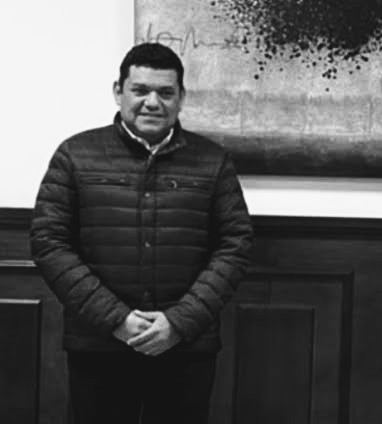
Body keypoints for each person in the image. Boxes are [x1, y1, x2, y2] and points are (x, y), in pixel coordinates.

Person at [30, 43, 253, 424]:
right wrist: (116, 319)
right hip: (99, 345)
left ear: (181, 97)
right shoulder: (74, 155)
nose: (153, 102)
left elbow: (235, 246)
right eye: (140, 90)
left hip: (185, 346)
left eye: (165, 92)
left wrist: (178, 323)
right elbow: (49, 243)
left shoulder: (213, 161)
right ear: (118, 92)